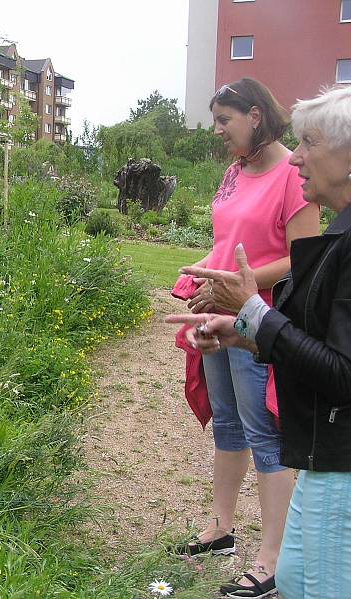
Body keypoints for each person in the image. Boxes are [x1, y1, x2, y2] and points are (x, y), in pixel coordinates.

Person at [169, 83, 351, 599]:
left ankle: (270, 555)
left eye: (225, 118)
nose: (218, 129)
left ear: (254, 114)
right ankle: (222, 529)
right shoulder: (235, 173)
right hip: (238, 317)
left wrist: (243, 302)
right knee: (228, 424)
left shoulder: (298, 188)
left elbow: (304, 259)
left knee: (266, 433)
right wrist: (212, 288)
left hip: (268, 317)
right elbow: (228, 240)